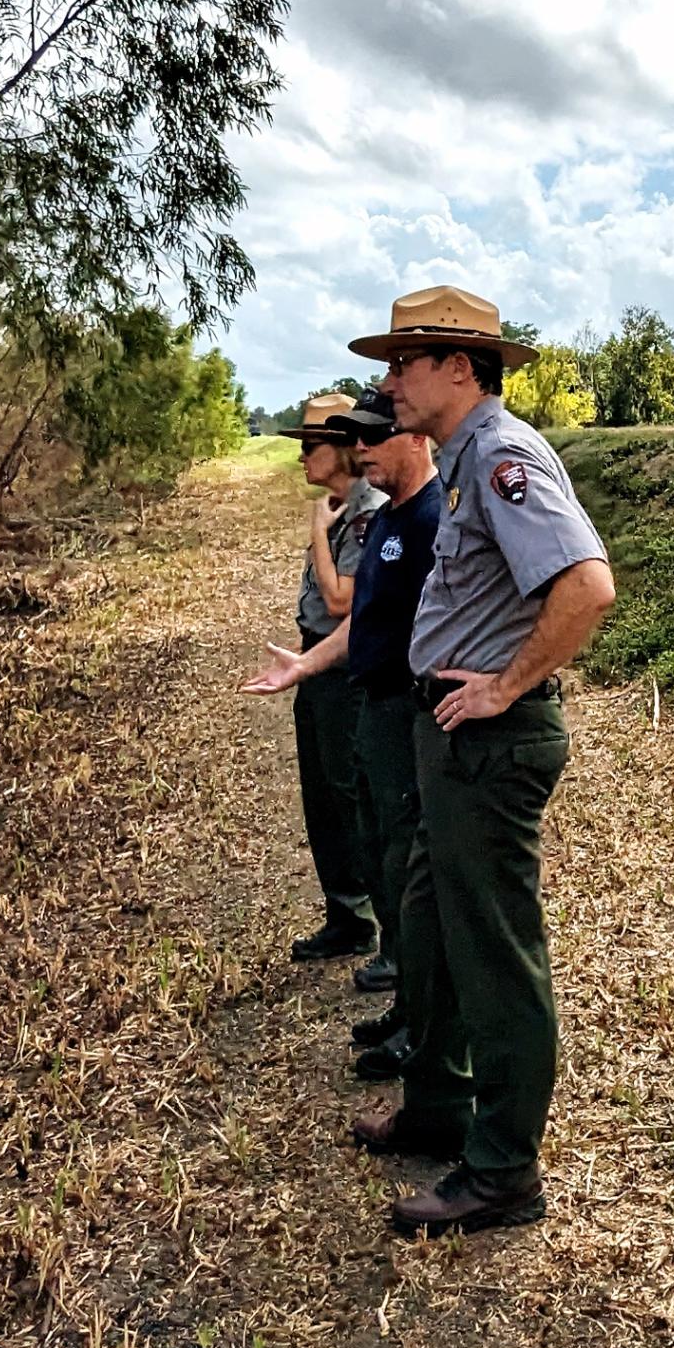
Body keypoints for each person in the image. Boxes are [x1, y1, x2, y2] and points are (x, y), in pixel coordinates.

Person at [344, 286, 615, 1238]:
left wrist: (505, 684)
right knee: (429, 923)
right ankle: (439, 1107)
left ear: (460, 369)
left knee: (493, 952)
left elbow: (586, 586)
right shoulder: (464, 462)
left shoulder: (501, 457)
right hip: (447, 735)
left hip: (488, 741)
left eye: (404, 362)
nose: (389, 382)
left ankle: (502, 1169)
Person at [244, 386, 441, 1077]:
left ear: (413, 436)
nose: (359, 450)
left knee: (403, 854)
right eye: (349, 437)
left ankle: (419, 1017)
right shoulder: (388, 517)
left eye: (371, 435)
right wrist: (304, 664)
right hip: (362, 684)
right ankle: (406, 1008)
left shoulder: (413, 516)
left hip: (401, 700)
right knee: (367, 830)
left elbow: (347, 604)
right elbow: (359, 619)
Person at [272, 393, 384, 960]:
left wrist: (319, 531)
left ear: (341, 449)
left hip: (344, 669)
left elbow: (343, 601)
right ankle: (346, 913)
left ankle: (366, 916)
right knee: (321, 795)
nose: (302, 459)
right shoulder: (345, 507)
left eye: (310, 446)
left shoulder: (363, 514)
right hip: (320, 661)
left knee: (347, 796)